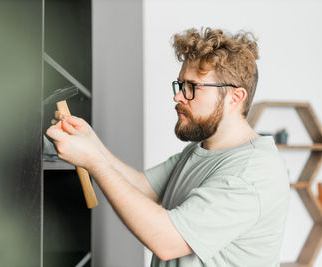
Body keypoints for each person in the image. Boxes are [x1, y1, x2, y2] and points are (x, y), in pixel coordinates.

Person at [46, 28, 290, 267]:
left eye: (192, 87)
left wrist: (94, 161)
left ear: (235, 98)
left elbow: (168, 241)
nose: (178, 97)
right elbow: (143, 187)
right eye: (180, 84)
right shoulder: (203, 149)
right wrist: (92, 142)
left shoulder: (252, 172)